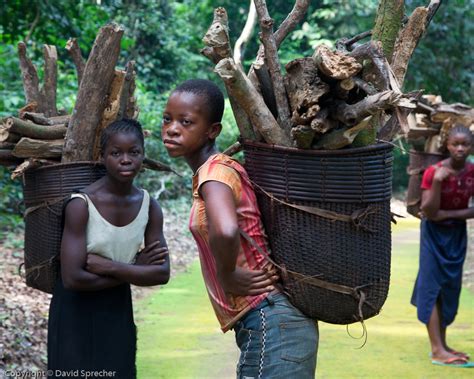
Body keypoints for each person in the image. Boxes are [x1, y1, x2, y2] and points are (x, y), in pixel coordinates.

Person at [161, 79, 318, 378]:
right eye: (167, 119)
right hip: (272, 321)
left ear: (212, 131)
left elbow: (225, 230)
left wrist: (228, 276)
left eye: (186, 121)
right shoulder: (216, 171)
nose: (172, 128)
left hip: (270, 319)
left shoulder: (215, 173)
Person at [48, 119, 170, 378]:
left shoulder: (150, 206)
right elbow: (72, 278)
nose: (125, 159)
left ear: (143, 155)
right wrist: (134, 270)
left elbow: (161, 273)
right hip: (74, 314)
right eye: (116, 153)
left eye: (133, 152)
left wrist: (110, 266)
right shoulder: (81, 205)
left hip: (117, 312)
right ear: (103, 157)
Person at [411, 125, 474, 368]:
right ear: (447, 145)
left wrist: (447, 213)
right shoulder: (433, 172)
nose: (460, 148)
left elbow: (468, 210)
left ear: (471, 147)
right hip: (433, 235)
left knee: (449, 288)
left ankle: (444, 346)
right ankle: (437, 350)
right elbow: (428, 211)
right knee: (431, 288)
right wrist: (437, 183)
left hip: (456, 234)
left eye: (465, 144)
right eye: (455, 144)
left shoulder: (471, 171)